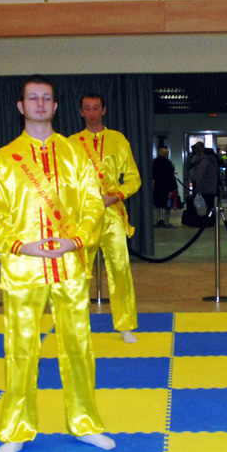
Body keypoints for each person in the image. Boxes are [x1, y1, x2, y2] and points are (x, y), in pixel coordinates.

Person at [0, 75, 111, 452]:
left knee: (79, 347)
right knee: (20, 349)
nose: (39, 103)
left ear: (55, 106)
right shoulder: (5, 159)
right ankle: (16, 428)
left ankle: (85, 423)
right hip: (23, 267)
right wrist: (20, 245)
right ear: (21, 106)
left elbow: (93, 204)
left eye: (46, 98)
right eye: (32, 98)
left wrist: (77, 240)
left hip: (69, 265)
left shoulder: (75, 154)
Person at [70, 93, 141, 344]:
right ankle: (76, 325)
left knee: (120, 269)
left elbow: (133, 178)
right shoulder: (71, 143)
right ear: (81, 112)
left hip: (112, 215)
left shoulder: (118, 140)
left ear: (103, 110)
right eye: (87, 108)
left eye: (95, 108)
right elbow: (63, 182)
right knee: (78, 271)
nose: (91, 113)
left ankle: (125, 325)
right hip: (83, 217)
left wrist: (116, 196)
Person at [189, 145, 219, 225]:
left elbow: (200, 176)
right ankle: (211, 220)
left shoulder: (204, 162)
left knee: (204, 206)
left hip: (204, 188)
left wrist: (198, 187)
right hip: (212, 188)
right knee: (210, 205)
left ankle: (204, 221)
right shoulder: (214, 162)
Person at [152, 147, 178, 227]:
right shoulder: (168, 162)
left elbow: (153, 175)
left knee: (156, 204)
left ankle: (155, 221)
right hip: (168, 186)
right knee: (168, 205)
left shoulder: (154, 162)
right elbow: (171, 173)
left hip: (158, 186)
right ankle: (166, 222)